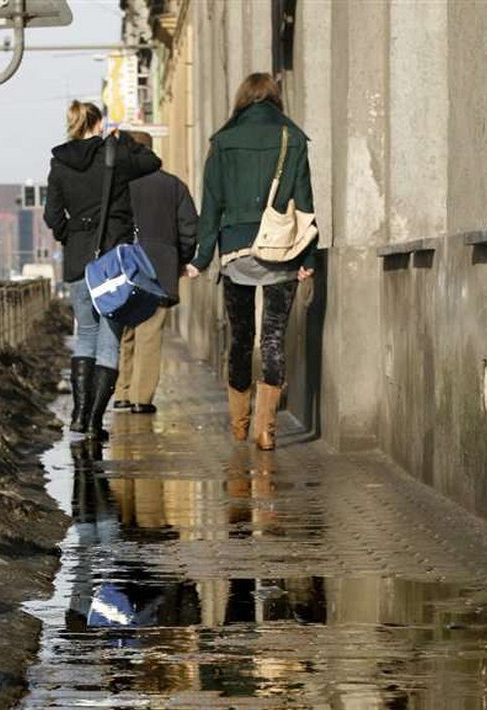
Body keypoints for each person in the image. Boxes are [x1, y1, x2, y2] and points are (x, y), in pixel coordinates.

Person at [187, 72, 317, 450]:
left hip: (235, 251)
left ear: (243, 98)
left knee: (241, 338)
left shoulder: (222, 142)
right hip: (282, 251)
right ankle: (266, 430)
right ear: (275, 98)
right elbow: (305, 202)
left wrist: (201, 257)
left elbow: (210, 206)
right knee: (273, 337)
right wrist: (308, 255)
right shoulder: (292, 139)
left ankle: (239, 424)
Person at [44, 101, 161, 441]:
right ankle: (95, 421)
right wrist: (122, 139)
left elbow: (53, 216)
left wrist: (73, 236)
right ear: (98, 123)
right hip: (113, 261)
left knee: (86, 334)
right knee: (110, 336)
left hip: (79, 259)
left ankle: (78, 417)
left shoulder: (59, 163)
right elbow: (153, 162)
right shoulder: (114, 155)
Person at [113, 131, 198, 415]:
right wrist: (181, 259)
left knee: (125, 330)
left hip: (124, 266)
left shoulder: (119, 185)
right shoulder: (173, 185)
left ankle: (121, 392)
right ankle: (141, 398)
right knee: (149, 333)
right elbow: (189, 228)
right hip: (160, 266)